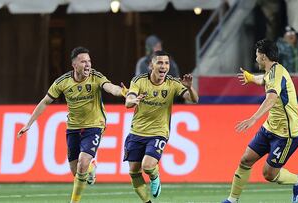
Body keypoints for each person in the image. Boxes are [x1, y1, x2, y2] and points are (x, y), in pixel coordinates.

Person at [17, 47, 128, 203]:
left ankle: (74, 201)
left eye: (89, 61)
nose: (87, 64)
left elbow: (110, 87)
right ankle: (91, 166)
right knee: (76, 172)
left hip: (95, 124)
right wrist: (29, 124)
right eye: (83, 61)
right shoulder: (62, 82)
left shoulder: (95, 76)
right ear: (74, 65)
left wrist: (123, 92)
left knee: (83, 162)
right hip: (73, 128)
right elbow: (45, 102)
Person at [222, 39, 298, 203]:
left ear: (263, 56)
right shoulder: (272, 72)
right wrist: (251, 77)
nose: (255, 59)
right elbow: (263, 79)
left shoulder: (277, 73)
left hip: (287, 134)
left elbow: (271, 98)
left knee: (269, 174)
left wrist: (253, 118)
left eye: (257, 55)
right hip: (269, 129)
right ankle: (232, 200)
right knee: (246, 159)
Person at [124, 50, 198, 203]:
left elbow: (194, 100)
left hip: (159, 132)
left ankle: (154, 175)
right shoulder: (139, 81)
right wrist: (133, 100)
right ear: (151, 65)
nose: (163, 66)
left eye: (166, 63)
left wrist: (190, 88)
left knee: (147, 165)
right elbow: (128, 101)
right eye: (159, 62)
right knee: (134, 171)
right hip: (136, 132)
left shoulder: (172, 83)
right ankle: (147, 202)